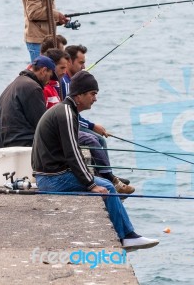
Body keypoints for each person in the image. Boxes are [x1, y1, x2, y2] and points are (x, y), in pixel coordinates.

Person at [32, 70, 159, 251]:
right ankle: (127, 236)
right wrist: (90, 184)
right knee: (106, 187)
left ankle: (128, 235)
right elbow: (73, 152)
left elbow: (70, 152)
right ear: (79, 95)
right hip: (52, 178)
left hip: (49, 174)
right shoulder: (66, 113)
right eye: (92, 94)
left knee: (105, 183)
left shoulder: (66, 110)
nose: (95, 99)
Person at [62, 45, 133, 193]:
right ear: (70, 62)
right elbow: (69, 114)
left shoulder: (70, 81)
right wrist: (93, 126)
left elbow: (74, 114)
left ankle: (107, 175)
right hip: (67, 126)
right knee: (97, 140)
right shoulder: (65, 83)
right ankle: (108, 178)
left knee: (99, 139)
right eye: (80, 63)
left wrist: (92, 125)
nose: (84, 66)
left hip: (73, 122)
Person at [0, 56, 55, 147]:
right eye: (50, 76)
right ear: (44, 71)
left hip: (8, 141)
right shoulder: (33, 88)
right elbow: (42, 124)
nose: (49, 81)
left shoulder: (11, 85)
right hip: (26, 141)